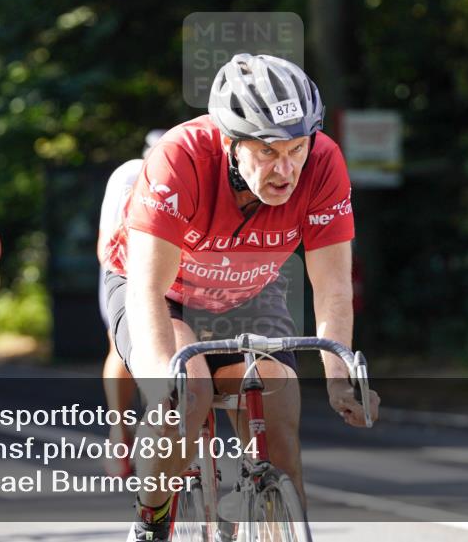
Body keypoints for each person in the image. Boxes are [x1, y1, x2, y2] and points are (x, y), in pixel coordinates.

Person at [100, 53, 381, 542]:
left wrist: (340, 379)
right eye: (269, 152)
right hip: (163, 290)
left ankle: (264, 511)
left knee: (279, 422)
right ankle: (151, 517)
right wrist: (163, 385)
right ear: (230, 142)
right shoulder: (181, 156)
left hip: (249, 287)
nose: (286, 169)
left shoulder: (324, 162)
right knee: (185, 397)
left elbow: (332, 284)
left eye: (296, 149)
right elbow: (147, 288)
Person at [96, 129, 165, 478]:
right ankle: (119, 432)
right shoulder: (129, 174)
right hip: (124, 265)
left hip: (175, 272)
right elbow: (106, 245)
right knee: (120, 345)